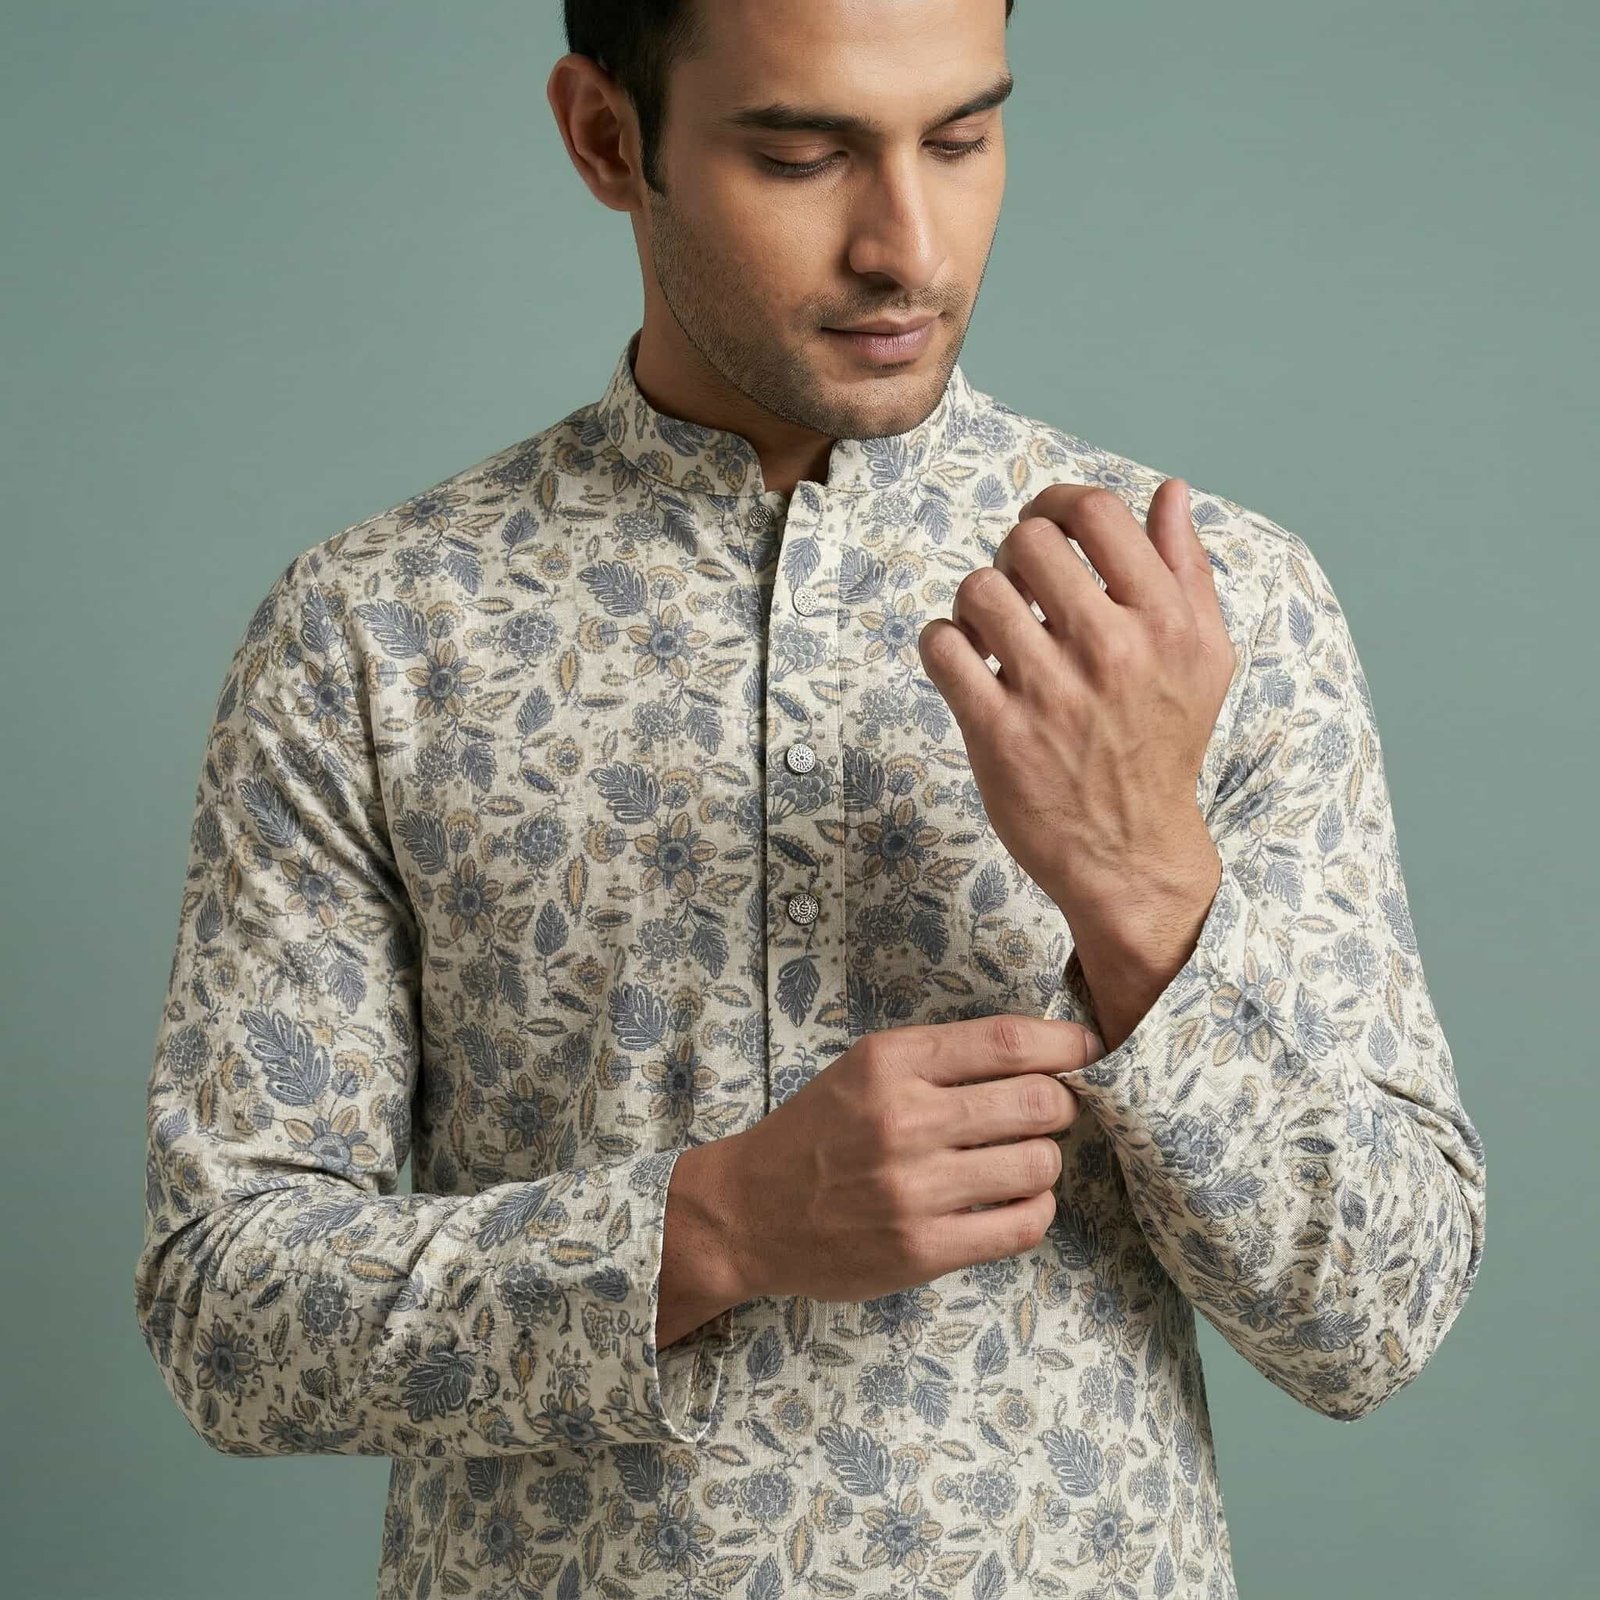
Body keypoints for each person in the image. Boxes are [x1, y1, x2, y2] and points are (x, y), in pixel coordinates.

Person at [133, 3, 1487, 1597]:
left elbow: (1375, 1318)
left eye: (961, 138)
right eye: (801, 155)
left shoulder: (1205, 608)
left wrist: (1140, 884)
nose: (908, 248)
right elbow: (224, 1314)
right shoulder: (375, 632)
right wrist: (712, 1229)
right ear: (608, 138)